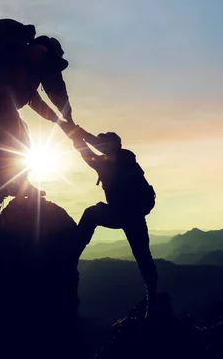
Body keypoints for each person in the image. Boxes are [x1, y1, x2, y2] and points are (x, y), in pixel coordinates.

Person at [0, 19, 75, 225]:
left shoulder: (21, 62)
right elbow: (56, 89)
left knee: (21, 137)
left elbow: (34, 100)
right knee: (7, 141)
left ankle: (22, 185)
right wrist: (68, 118)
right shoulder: (41, 55)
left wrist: (60, 123)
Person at [69, 127, 158, 315]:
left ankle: (71, 254)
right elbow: (86, 150)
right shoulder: (123, 159)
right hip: (132, 215)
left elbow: (87, 148)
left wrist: (74, 130)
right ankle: (152, 294)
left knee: (91, 215)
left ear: (112, 145)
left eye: (104, 143)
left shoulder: (116, 161)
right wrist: (75, 134)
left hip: (125, 213)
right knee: (143, 254)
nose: (101, 145)